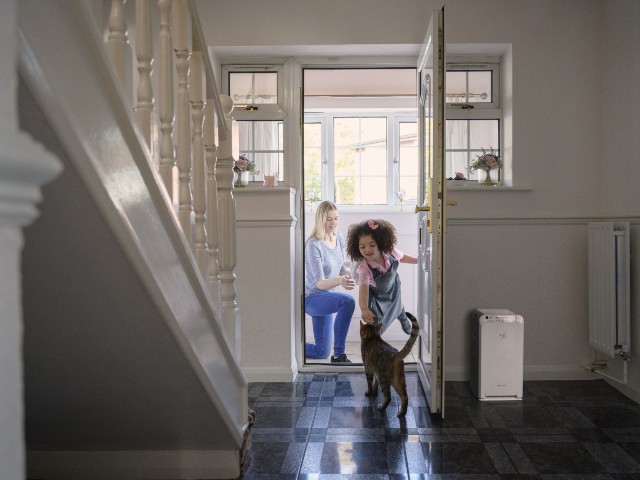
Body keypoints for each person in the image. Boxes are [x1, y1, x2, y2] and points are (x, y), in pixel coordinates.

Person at [305, 201, 356, 363]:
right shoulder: (313, 244)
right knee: (348, 302)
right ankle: (339, 355)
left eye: (336, 218)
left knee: (321, 352)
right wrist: (340, 280)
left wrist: (348, 276)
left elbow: (342, 266)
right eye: (329, 219)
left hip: (328, 297)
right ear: (321, 219)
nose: (333, 223)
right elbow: (319, 283)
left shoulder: (339, 238)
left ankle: (289, 346)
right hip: (314, 298)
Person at [346, 218, 417, 335]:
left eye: (372, 245)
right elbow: (363, 291)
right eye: (362, 247)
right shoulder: (364, 269)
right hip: (377, 296)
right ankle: (376, 342)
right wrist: (364, 309)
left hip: (393, 288)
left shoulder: (389, 251)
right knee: (375, 322)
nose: (367, 250)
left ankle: (404, 321)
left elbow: (403, 257)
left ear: (380, 242)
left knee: (398, 305)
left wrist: (419, 261)